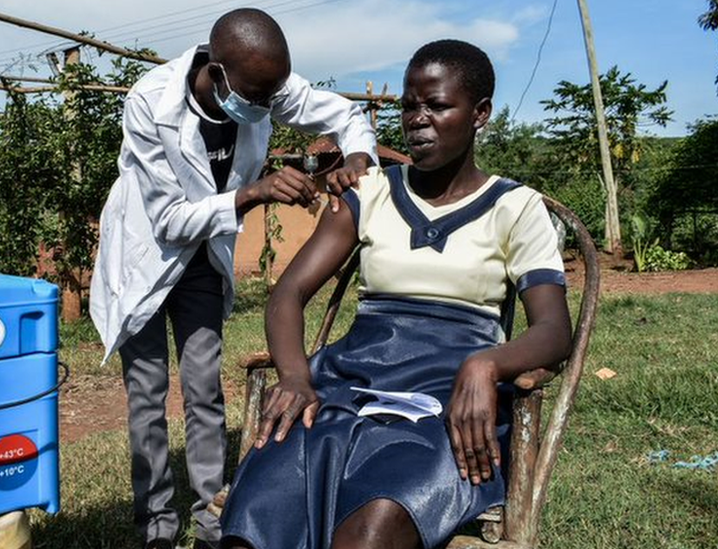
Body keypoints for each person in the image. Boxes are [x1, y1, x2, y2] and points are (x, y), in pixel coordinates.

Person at [220, 39, 573, 549]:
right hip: (349, 384)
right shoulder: (369, 193)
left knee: (371, 529)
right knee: (256, 518)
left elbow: (554, 330)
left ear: (480, 114)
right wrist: (295, 377)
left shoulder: (515, 207)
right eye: (409, 106)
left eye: (437, 105)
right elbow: (288, 293)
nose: (417, 120)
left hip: (446, 402)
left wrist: (485, 364)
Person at [88, 8, 378, 549]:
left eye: (272, 95)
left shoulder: (262, 86)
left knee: (204, 389)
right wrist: (253, 192)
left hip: (202, 260)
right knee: (147, 395)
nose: (266, 107)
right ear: (217, 73)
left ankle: (212, 517)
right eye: (256, 96)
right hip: (145, 259)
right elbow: (169, 220)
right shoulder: (151, 103)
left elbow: (345, 115)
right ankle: (156, 525)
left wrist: (357, 156)